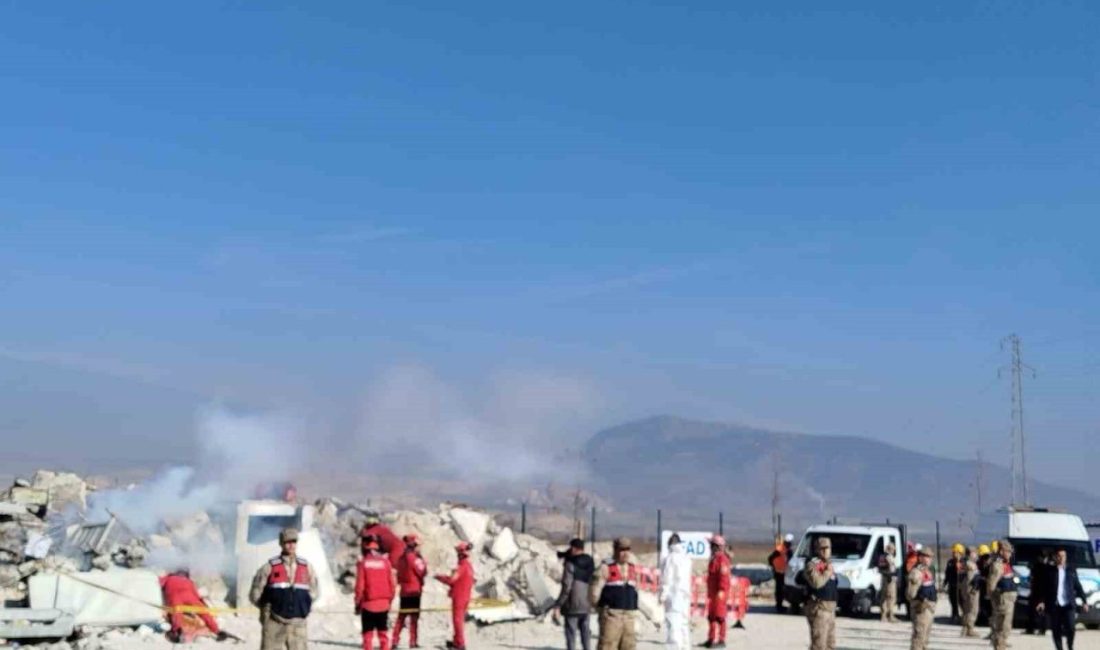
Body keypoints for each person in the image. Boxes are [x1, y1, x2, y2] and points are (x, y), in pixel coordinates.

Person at [249, 528, 319, 650]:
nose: (291, 545)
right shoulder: (269, 567)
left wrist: (302, 606)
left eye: (294, 542)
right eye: (287, 542)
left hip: (298, 624)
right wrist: (266, 611)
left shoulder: (306, 567)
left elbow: (314, 591)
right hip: (275, 622)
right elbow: (255, 594)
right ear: (281, 543)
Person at [1036, 547, 1090, 650]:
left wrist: (1084, 601)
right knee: (1056, 630)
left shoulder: (1071, 570)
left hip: (1068, 604)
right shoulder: (1049, 571)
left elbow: (1078, 586)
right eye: (1059, 556)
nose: (1061, 558)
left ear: (1066, 557)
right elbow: (1043, 588)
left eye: (1063, 556)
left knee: (1071, 627)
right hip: (1054, 605)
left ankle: (1070, 646)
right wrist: (1041, 601)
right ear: (1055, 557)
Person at [590, 537, 639, 650]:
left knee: (629, 646)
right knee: (608, 645)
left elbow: (636, 590)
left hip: (629, 616)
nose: (625, 553)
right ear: (616, 550)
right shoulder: (606, 567)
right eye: (622, 550)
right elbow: (594, 592)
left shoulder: (632, 568)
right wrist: (600, 610)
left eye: (627, 549)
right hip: (611, 616)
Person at [160, 569, 228, 643]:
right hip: (190, 596)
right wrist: (203, 605)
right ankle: (217, 631)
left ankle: (175, 631)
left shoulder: (168, 578)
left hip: (175, 595)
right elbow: (197, 595)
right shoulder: (189, 581)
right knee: (204, 613)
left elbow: (157, 583)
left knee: (176, 613)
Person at [553, 538, 595, 650]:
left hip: (572, 605)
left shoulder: (570, 564)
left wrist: (558, 604)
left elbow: (567, 587)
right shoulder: (590, 562)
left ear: (573, 548)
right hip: (586, 604)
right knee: (586, 634)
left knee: (571, 636)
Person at [356, 535, 396, 650]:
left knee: (368, 635)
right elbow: (392, 584)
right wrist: (389, 601)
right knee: (383, 633)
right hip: (384, 604)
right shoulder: (386, 563)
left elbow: (360, 587)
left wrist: (357, 603)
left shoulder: (363, 563)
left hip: (368, 605)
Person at [435, 541, 474, 650]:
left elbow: (452, 580)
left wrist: (440, 577)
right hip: (465, 596)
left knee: (457, 621)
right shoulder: (469, 566)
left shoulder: (462, 566)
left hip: (459, 597)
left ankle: (460, 644)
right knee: (459, 620)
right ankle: (457, 641)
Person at [393, 534, 428, 649]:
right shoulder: (414, 558)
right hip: (414, 591)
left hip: (404, 591)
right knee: (414, 618)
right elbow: (422, 571)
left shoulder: (401, 558)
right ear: (413, 545)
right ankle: (413, 642)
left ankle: (395, 641)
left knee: (401, 617)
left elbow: (398, 576)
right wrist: (423, 561)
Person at [803, 537, 838, 650]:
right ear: (817, 550)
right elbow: (817, 583)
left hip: (830, 610)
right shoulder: (812, 565)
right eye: (821, 548)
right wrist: (827, 572)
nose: (825, 551)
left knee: (830, 644)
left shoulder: (829, 565)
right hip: (819, 609)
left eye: (827, 548)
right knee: (819, 644)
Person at [658, 534, 692, 650]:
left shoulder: (670, 558)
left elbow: (666, 579)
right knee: (684, 625)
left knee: (673, 626)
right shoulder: (686, 558)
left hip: (673, 596)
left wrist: (662, 596)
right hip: (685, 596)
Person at [987, 539, 1019, 650]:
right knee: (1002, 628)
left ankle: (1001, 645)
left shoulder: (1006, 564)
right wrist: (995, 599)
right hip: (1002, 601)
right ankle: (999, 646)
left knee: (1006, 627)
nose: (1010, 554)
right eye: (1008, 551)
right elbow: (991, 585)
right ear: (1001, 552)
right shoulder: (998, 565)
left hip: (1009, 601)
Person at [906, 547, 936, 650]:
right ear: (920, 558)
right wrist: (919, 601)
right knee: (918, 638)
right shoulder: (917, 572)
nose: (929, 559)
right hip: (921, 609)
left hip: (929, 608)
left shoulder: (928, 571)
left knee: (925, 639)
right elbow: (910, 594)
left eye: (930, 557)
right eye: (926, 557)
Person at [704, 535, 731, 648]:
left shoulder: (722, 560)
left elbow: (723, 576)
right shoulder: (714, 559)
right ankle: (711, 638)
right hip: (713, 592)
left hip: (719, 592)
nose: (710, 547)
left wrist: (722, 590)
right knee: (711, 616)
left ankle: (721, 640)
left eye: (712, 545)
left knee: (719, 616)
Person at [1026, 548, 1052, 636]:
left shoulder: (1047, 567)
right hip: (1036, 590)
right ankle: (1031, 628)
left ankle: (1042, 628)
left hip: (1043, 591)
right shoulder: (1037, 565)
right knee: (1032, 611)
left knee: (1042, 611)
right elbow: (1032, 578)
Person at [958, 547, 981, 638]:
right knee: (972, 609)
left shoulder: (965, 563)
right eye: (974, 553)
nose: (976, 554)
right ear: (970, 553)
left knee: (967, 610)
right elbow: (970, 578)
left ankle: (965, 629)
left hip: (967, 588)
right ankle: (969, 629)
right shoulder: (969, 564)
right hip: (971, 589)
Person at [878, 542, 898, 623]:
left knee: (883, 597)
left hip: (884, 578)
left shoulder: (882, 557)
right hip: (889, 579)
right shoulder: (889, 557)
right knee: (891, 597)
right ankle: (890, 615)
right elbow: (891, 568)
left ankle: (883, 615)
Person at [945, 544, 962, 623]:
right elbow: (947, 573)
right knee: (952, 601)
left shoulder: (962, 562)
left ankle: (962, 616)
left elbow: (961, 573)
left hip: (959, 586)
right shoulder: (950, 562)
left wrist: (958, 565)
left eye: (955, 552)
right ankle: (954, 615)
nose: (953, 554)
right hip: (951, 585)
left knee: (960, 601)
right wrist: (945, 582)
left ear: (960, 553)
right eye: (953, 552)